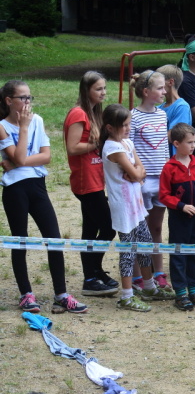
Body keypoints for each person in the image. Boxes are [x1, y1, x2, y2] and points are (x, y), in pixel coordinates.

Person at [0, 80, 88, 314]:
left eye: (30, 97)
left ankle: (61, 294)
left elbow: (45, 156)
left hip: (37, 185)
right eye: (22, 98)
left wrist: (17, 163)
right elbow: (19, 155)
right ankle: (26, 294)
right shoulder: (3, 126)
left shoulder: (37, 120)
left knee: (54, 238)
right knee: (20, 240)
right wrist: (23, 129)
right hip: (15, 189)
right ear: (9, 101)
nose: (27, 102)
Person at [99, 104, 174, 312]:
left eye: (129, 124)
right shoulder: (112, 148)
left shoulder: (128, 143)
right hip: (123, 206)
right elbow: (136, 173)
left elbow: (141, 170)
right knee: (128, 250)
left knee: (145, 242)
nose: (128, 128)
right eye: (123, 125)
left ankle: (149, 287)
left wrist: (136, 173)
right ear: (110, 128)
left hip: (136, 204)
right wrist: (136, 174)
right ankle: (126, 296)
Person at [63, 71, 118, 296]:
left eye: (104, 88)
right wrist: (97, 143)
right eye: (98, 89)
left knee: (91, 229)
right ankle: (92, 273)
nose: (103, 92)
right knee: (108, 228)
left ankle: (93, 274)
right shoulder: (78, 113)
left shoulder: (96, 113)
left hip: (96, 180)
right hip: (86, 182)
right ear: (87, 90)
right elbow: (72, 147)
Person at [158, 123, 195, 311]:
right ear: (176, 144)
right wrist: (181, 206)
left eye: (194, 142)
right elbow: (164, 195)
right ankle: (180, 292)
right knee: (179, 254)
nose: (193, 146)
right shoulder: (169, 168)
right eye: (189, 142)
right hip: (179, 219)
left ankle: (194, 289)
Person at [129, 70, 171, 290]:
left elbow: (164, 148)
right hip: (142, 182)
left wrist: (168, 173)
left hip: (161, 180)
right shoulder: (133, 117)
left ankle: (159, 271)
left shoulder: (162, 115)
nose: (165, 91)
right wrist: (136, 174)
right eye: (160, 88)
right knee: (139, 229)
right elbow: (129, 148)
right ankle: (138, 275)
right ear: (146, 92)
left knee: (156, 227)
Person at [156, 64, 192, 156]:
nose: (156, 85)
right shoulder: (159, 108)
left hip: (174, 159)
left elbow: (174, 135)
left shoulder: (182, 107)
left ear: (170, 82)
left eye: (159, 82)